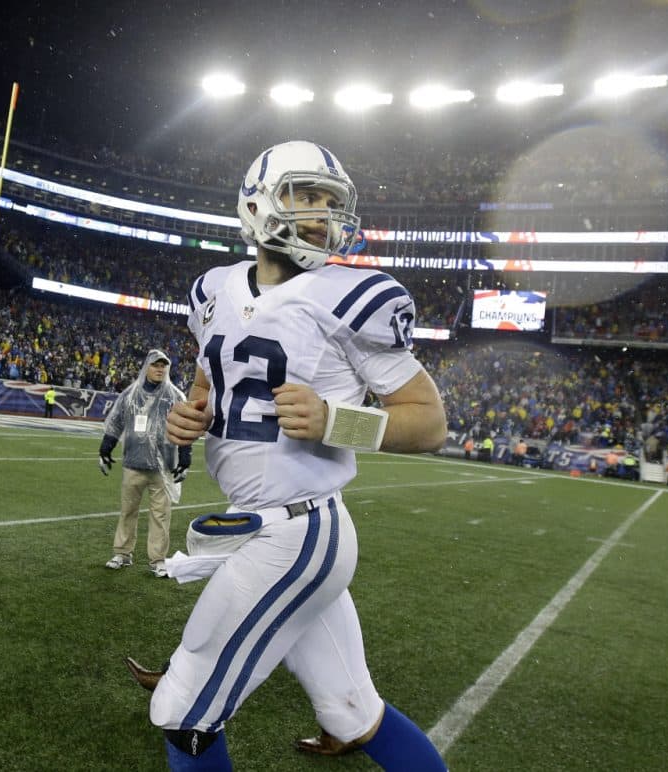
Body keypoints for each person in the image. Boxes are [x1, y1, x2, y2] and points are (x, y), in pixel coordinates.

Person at [141, 141, 449, 770]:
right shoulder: (213, 288)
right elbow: (208, 379)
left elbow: (429, 423)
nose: (321, 214)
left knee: (183, 708)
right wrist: (193, 414)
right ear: (256, 203)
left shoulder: (351, 295)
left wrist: (337, 420)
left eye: (331, 202)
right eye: (306, 196)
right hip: (269, 524)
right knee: (352, 712)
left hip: (300, 531)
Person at [100, 349, 190, 577]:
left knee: (161, 516)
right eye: (155, 365)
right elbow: (116, 422)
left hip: (163, 467)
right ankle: (122, 553)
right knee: (127, 511)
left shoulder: (175, 396)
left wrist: (185, 457)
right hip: (134, 463)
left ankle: (158, 560)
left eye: (163, 365)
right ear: (146, 367)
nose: (160, 369)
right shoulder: (131, 394)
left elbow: (184, 426)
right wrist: (105, 448)